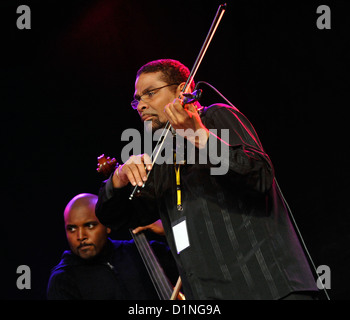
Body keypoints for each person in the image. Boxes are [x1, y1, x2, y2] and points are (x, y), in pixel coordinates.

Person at [96, 59, 319, 300]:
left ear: (183, 91)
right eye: (137, 99)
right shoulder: (163, 156)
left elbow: (259, 176)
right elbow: (118, 218)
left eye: (150, 93)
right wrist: (117, 180)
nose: (141, 105)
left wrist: (199, 136)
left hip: (268, 289)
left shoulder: (216, 117)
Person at [47, 193, 177, 300]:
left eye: (90, 225)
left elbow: (193, 259)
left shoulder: (139, 252)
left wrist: (168, 230)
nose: (80, 236)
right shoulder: (63, 280)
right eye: (72, 228)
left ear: (108, 226)